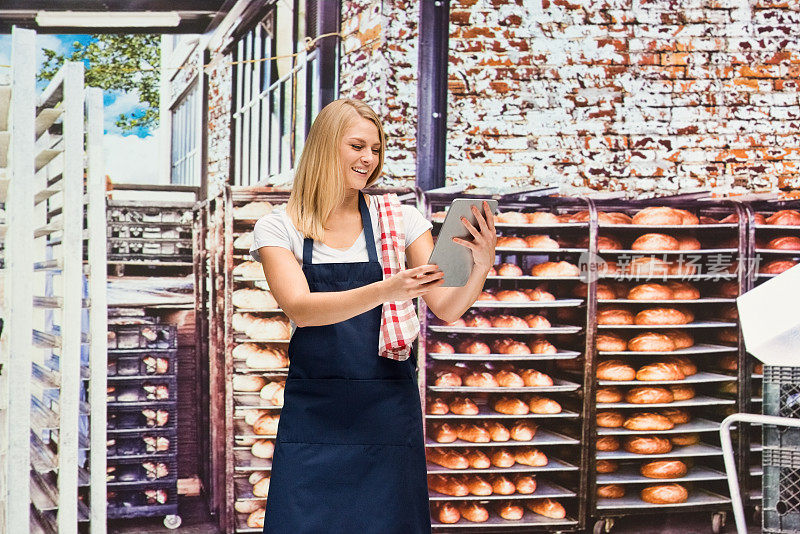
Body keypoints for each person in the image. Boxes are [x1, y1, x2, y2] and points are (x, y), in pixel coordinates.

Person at [250, 98, 496, 533]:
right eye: (357, 146)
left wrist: (480, 265)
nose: (368, 158)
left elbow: (447, 306)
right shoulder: (280, 225)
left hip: (386, 406)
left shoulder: (401, 220)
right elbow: (302, 310)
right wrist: (388, 287)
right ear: (326, 147)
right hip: (316, 410)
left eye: (376, 149)